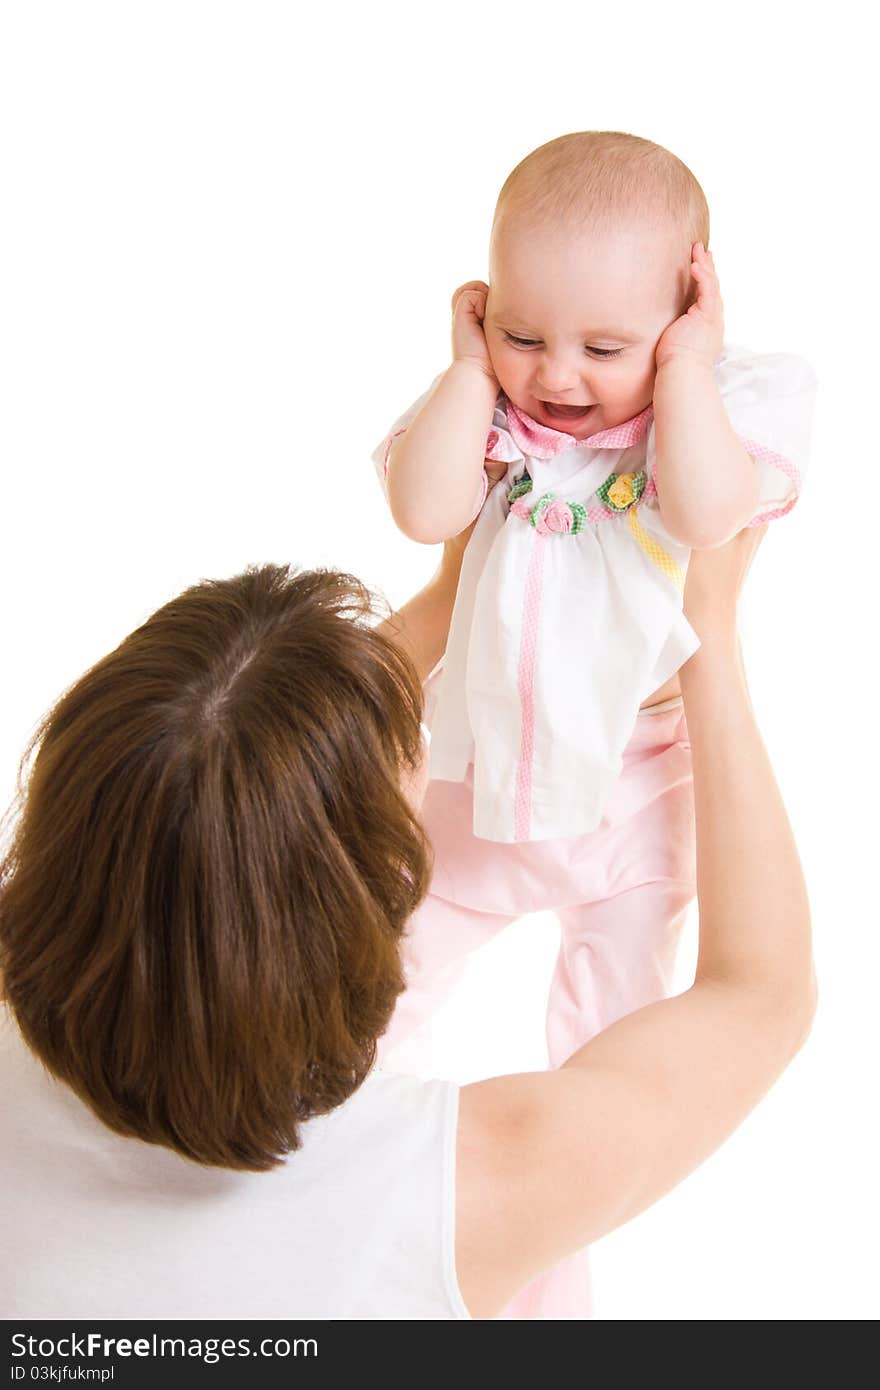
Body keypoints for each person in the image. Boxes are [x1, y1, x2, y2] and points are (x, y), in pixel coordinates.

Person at [0, 521, 814, 1320]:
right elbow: (760, 992)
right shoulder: (464, 1191)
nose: (421, 740)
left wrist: (454, 591)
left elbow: (217, 792)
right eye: (406, 758)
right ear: (367, 896)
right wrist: (709, 638)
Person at [371, 130, 817, 1316]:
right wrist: (469, 372)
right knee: (365, 1005)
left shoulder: (726, 403)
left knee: (603, 1082)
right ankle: (344, 1212)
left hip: (638, 793)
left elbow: (711, 512)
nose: (558, 375)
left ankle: (541, 1302)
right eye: (523, 332)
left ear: (682, 310)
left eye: (605, 346)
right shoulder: (489, 412)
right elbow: (423, 517)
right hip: (479, 777)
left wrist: (681, 371)